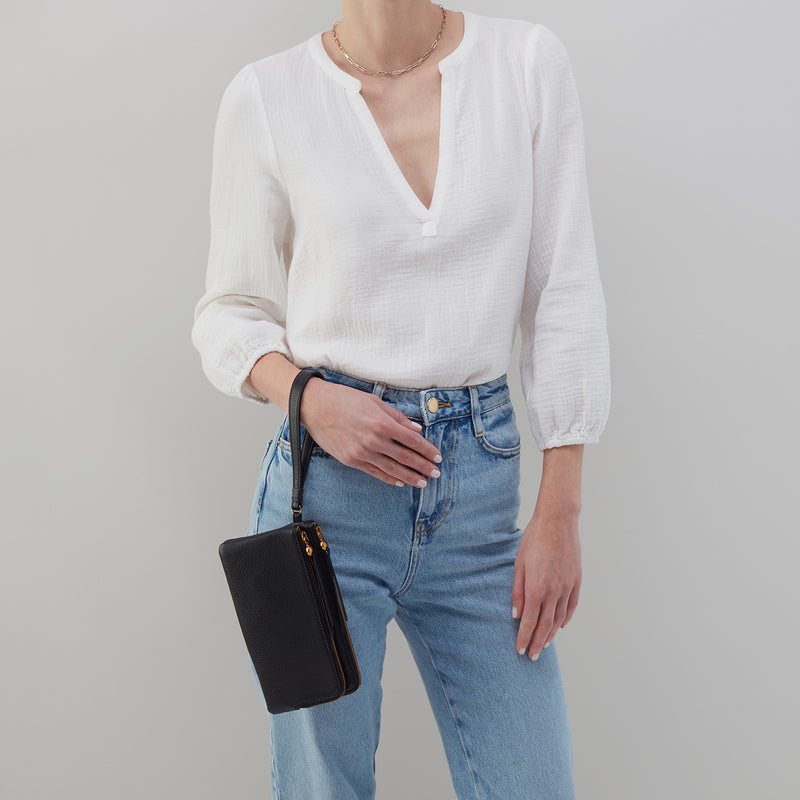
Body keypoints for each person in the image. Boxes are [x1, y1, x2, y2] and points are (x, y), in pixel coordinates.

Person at [191, 2, 611, 798]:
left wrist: (561, 509)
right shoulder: (268, 95)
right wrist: (309, 398)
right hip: (324, 502)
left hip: (480, 497)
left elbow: (565, 293)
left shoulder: (525, 63)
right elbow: (229, 313)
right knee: (324, 787)